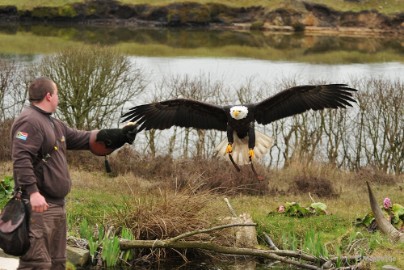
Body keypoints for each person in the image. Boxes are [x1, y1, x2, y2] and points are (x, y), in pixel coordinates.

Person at [10, 77, 138, 270]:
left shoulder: (54, 123)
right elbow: (21, 159)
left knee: (56, 264)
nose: (58, 98)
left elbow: (84, 139)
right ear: (49, 95)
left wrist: (118, 135)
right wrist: (33, 192)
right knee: (36, 264)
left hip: (55, 206)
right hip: (38, 207)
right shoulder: (30, 121)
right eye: (57, 94)